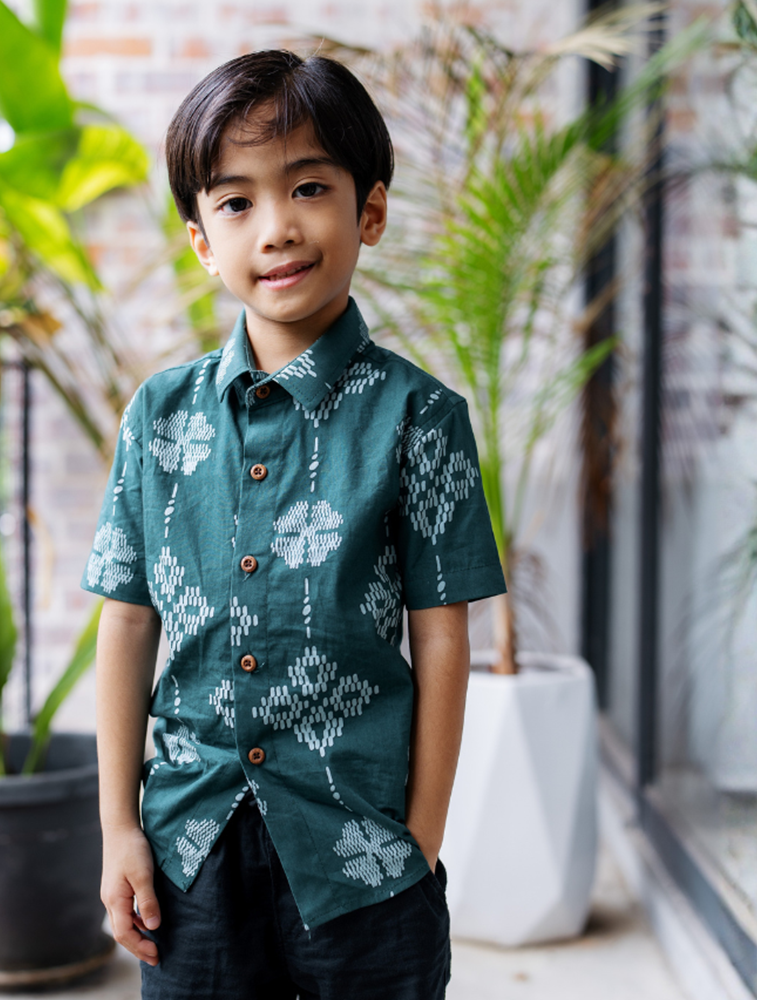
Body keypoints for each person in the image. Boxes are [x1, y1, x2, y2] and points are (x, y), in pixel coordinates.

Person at [83, 48, 507, 1000]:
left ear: (371, 211)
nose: (276, 227)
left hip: (362, 857)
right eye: (235, 203)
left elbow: (442, 638)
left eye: (308, 187)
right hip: (188, 848)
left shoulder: (420, 418)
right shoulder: (159, 416)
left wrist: (422, 844)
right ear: (201, 240)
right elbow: (127, 618)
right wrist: (119, 830)